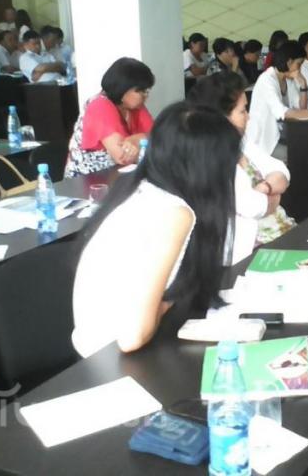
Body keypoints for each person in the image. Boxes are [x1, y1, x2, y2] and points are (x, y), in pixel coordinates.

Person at [71, 102, 240, 357]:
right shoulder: (175, 213)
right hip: (110, 359)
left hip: (95, 349)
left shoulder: (137, 187)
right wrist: (165, 304)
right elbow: (132, 336)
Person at [189, 72, 295, 264]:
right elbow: (252, 206)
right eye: (243, 111)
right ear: (221, 117)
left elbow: (281, 171)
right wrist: (269, 196)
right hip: (252, 249)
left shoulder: (241, 143)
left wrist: (265, 188)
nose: (248, 117)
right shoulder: (210, 158)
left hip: (280, 230)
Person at [65, 58, 155, 177]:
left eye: (147, 91)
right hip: (89, 179)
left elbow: (159, 137)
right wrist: (144, 141)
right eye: (140, 91)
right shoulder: (99, 106)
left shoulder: (135, 106)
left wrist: (136, 140)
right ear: (123, 88)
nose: (145, 95)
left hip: (118, 175)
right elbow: (122, 156)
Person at [247, 40, 308, 160]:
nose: (299, 69)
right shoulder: (267, 80)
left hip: (281, 135)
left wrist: (303, 84)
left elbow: (301, 108)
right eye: (299, 64)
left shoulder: (287, 79)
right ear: (289, 62)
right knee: (304, 153)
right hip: (265, 142)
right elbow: (282, 112)